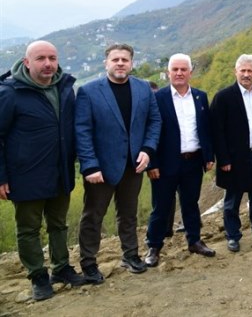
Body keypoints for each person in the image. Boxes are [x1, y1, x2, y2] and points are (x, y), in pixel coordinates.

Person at [0, 41, 85, 300]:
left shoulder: (65, 88)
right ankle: (37, 276)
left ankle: (61, 268)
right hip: (25, 174)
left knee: (59, 224)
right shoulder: (10, 92)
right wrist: (1, 176)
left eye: (52, 58)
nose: (48, 63)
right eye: (40, 58)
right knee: (29, 229)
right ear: (27, 62)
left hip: (61, 171)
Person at [75, 43, 162, 283]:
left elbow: (154, 121)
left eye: (125, 59)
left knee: (128, 213)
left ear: (131, 63)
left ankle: (131, 255)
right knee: (93, 216)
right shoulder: (89, 91)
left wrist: (148, 149)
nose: (120, 63)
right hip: (100, 168)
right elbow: (82, 130)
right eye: (115, 59)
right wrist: (90, 165)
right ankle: (89, 263)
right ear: (106, 63)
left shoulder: (143, 88)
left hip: (134, 164)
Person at [144, 54, 215, 267]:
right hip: (165, 163)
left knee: (191, 203)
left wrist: (208, 156)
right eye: (175, 69)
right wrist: (152, 163)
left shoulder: (200, 97)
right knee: (161, 207)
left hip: (193, 160)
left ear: (190, 72)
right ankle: (154, 247)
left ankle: (194, 241)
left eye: (183, 69)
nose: (179, 73)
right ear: (168, 73)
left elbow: (206, 128)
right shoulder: (157, 98)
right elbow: (149, 131)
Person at [210, 54, 252, 251]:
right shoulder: (223, 97)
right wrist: (223, 159)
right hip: (234, 158)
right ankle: (233, 236)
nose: (246, 74)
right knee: (233, 198)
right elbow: (216, 131)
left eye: (250, 71)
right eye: (243, 70)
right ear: (236, 71)